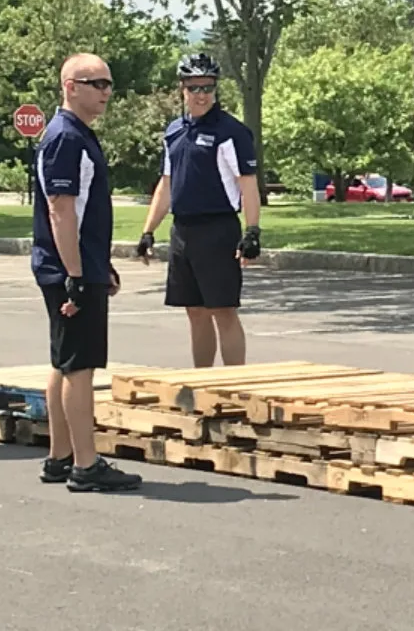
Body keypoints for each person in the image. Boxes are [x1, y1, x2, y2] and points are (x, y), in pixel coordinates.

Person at [30, 53, 141, 492]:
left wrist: (98, 264)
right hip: (67, 269)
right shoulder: (65, 138)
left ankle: (60, 456)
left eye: (109, 83)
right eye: (97, 83)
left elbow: (79, 211)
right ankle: (86, 464)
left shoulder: (77, 135)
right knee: (81, 367)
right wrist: (76, 273)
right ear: (70, 86)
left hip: (79, 263)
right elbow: (60, 210)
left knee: (64, 362)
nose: (106, 91)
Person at [135, 53, 262, 366]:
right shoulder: (174, 132)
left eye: (208, 87)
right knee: (195, 311)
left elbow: (248, 184)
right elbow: (166, 184)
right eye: (194, 88)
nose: (201, 94)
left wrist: (252, 231)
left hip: (218, 229)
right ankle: (201, 381)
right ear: (182, 89)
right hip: (183, 230)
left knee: (223, 310)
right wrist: (148, 231)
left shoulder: (231, 132)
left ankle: (235, 386)